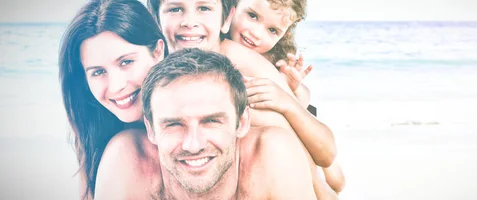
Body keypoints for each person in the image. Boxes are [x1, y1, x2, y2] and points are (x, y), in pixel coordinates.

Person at [146, 0, 344, 196]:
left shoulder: (246, 64)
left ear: (226, 17)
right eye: (252, 16)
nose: (189, 21)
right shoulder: (162, 59)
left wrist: (291, 100)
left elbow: (327, 162)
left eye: (204, 8)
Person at [95, 47, 316, 199]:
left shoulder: (273, 154)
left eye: (211, 121)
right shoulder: (127, 159)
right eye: (173, 124)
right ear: (151, 129)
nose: (193, 145)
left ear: (242, 122)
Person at [228, 0, 346, 193]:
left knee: (335, 178)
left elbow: (305, 96)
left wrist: (293, 88)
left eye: (272, 30)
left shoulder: (271, 59)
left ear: (285, 34)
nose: (256, 34)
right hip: (275, 143)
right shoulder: (229, 51)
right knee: (330, 181)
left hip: (299, 131)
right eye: (252, 16)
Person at [58, 0, 168, 199]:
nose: (116, 85)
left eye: (126, 62)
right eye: (98, 72)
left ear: (157, 51)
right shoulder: (94, 135)